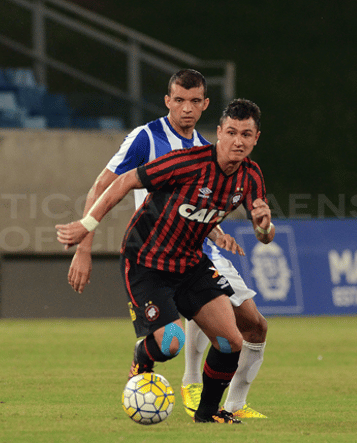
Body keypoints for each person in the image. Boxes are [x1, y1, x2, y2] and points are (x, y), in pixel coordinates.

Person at [57, 98, 274, 423]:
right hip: (146, 260)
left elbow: (264, 235)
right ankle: (142, 356)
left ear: (256, 138)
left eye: (246, 134)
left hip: (190, 263)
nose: (238, 141)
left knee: (231, 342)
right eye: (231, 132)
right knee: (172, 342)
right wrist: (88, 225)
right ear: (218, 133)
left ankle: (208, 415)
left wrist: (265, 225)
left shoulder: (251, 175)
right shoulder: (187, 162)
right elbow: (124, 181)